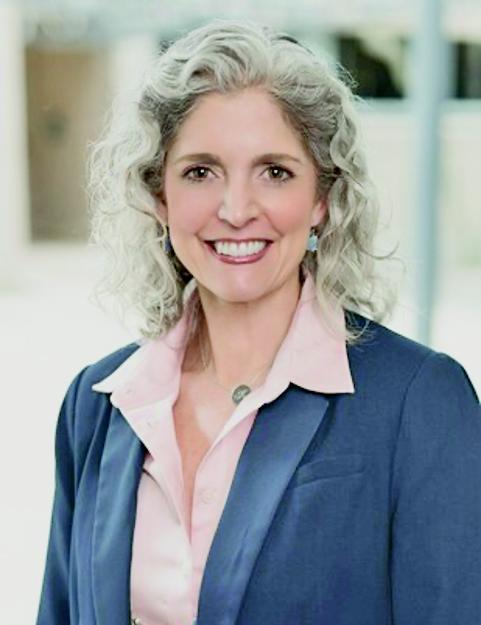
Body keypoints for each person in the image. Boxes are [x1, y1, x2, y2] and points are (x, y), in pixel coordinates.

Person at [36, 18, 481, 625]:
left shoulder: (417, 400)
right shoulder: (96, 406)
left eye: (274, 171)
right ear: (159, 197)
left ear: (322, 198)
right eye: (200, 171)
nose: (237, 209)